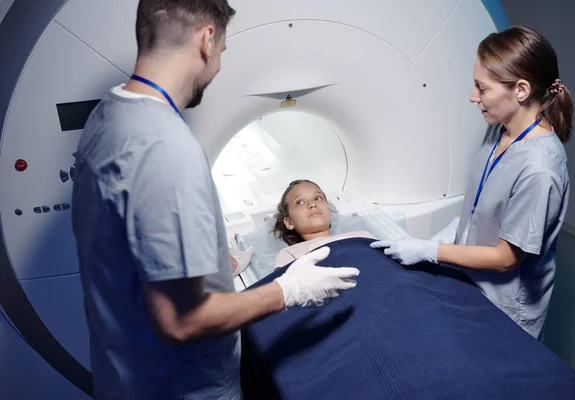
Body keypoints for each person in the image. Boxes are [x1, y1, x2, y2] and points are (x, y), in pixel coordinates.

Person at [70, 1, 359, 399]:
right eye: (222, 50)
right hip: (181, 387)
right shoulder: (167, 149)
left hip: (124, 371)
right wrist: (288, 291)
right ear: (207, 39)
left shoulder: (108, 115)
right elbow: (181, 321)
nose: (219, 65)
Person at [371, 25, 573, 340]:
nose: (472, 97)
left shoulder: (540, 167)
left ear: (520, 90)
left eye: (481, 87)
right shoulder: (499, 127)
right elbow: (478, 205)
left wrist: (430, 249)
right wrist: (447, 235)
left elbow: (506, 258)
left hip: (506, 307)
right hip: (469, 284)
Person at [272, 180, 376, 269]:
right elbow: (284, 288)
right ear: (289, 222)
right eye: (299, 202)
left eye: (318, 198)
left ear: (329, 211)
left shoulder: (362, 236)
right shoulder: (290, 253)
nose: (313, 204)